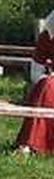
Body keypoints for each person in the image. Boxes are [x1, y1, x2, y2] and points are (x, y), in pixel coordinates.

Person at [16, 8, 54, 154]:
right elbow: (36, 69)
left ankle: (30, 143)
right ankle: (33, 144)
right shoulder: (49, 34)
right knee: (46, 86)